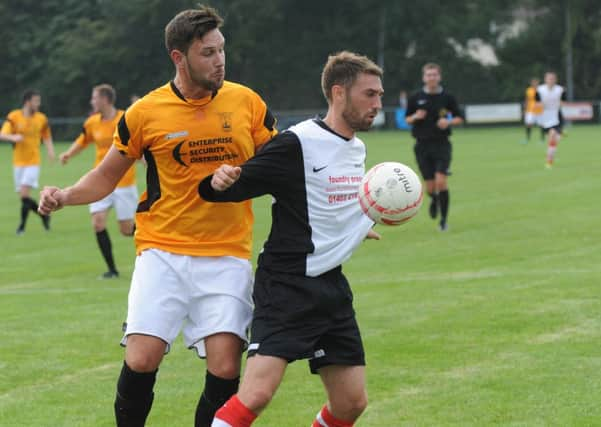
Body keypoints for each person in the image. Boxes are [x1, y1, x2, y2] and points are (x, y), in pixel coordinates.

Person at [38, 5, 277, 426]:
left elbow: (281, 167)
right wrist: (65, 195)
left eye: (222, 50)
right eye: (208, 53)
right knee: (142, 357)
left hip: (226, 254)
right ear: (178, 57)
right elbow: (107, 176)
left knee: (225, 368)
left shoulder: (248, 103)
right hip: (162, 251)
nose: (219, 60)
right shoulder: (146, 113)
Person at [200, 51, 384, 427]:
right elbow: (235, 184)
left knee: (351, 402)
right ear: (338, 93)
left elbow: (327, 201)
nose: (378, 104)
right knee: (256, 395)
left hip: (330, 286)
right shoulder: (297, 143)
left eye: (379, 95)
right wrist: (217, 182)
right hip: (285, 285)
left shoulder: (357, 149)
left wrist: (360, 226)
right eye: (369, 94)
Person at [59, 84, 137, 279]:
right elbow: (82, 140)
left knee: (127, 230)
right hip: (100, 181)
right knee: (98, 223)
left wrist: (146, 160)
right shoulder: (92, 122)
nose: (92, 101)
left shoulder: (124, 118)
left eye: (95, 98)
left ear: (105, 99)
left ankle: (155, 242)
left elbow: (137, 143)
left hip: (124, 182)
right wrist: (68, 154)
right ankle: (112, 269)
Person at [405, 63, 463, 231]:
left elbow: (460, 118)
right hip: (421, 146)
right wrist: (415, 116)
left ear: (439, 77)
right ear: (424, 77)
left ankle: (443, 221)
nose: (432, 78)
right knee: (430, 187)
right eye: (428, 75)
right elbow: (407, 119)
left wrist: (449, 121)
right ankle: (434, 199)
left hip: (442, 145)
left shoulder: (447, 97)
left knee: (441, 182)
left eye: (434, 75)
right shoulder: (415, 97)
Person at [0, 89, 55, 234]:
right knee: (24, 199)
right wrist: (13, 138)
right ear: (27, 102)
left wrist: (50, 151)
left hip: (33, 162)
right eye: (36, 101)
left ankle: (21, 227)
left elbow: (47, 136)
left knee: (24, 195)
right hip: (18, 162)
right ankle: (44, 216)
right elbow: (3, 134)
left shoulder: (41, 118)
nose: (38, 104)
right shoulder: (14, 116)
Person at [536, 71, 565, 169]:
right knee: (553, 137)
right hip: (546, 117)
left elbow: (563, 102)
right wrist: (541, 105)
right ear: (545, 79)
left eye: (553, 78)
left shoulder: (560, 90)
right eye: (549, 78)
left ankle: (549, 158)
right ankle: (550, 158)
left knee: (554, 138)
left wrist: (558, 104)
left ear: (555, 80)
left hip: (557, 116)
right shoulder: (540, 90)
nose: (551, 80)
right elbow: (537, 103)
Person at [522, 77, 544, 144]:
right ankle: (527, 139)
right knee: (528, 124)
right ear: (531, 83)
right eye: (533, 82)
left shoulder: (541, 90)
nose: (534, 83)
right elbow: (527, 100)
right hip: (530, 110)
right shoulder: (529, 90)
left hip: (539, 110)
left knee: (541, 125)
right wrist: (525, 109)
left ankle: (542, 139)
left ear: (538, 82)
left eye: (536, 82)